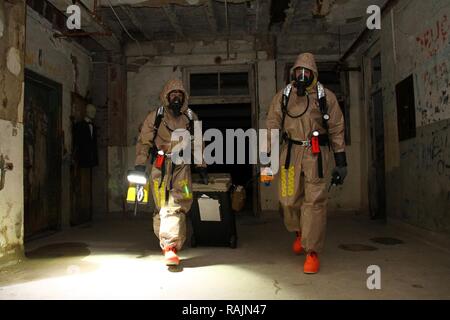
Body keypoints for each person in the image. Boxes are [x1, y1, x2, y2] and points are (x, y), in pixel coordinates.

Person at [264, 53, 347, 274]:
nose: (301, 76)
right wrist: (267, 158)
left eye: (306, 73)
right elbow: (272, 124)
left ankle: (312, 252)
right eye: (298, 72)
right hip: (290, 153)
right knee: (288, 200)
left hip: (315, 155)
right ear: (293, 74)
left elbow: (337, 128)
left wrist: (341, 161)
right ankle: (300, 232)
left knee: (315, 202)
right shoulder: (284, 96)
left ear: (313, 74)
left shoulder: (325, 97)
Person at [135, 79, 208, 266]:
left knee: (177, 203)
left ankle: (171, 247)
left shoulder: (191, 117)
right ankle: (167, 243)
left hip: (182, 167)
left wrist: (201, 166)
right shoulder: (155, 117)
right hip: (160, 166)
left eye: (179, 94)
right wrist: (140, 164)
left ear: (184, 97)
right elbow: (144, 141)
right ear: (166, 96)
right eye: (173, 94)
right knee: (162, 206)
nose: (176, 97)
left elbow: (197, 143)